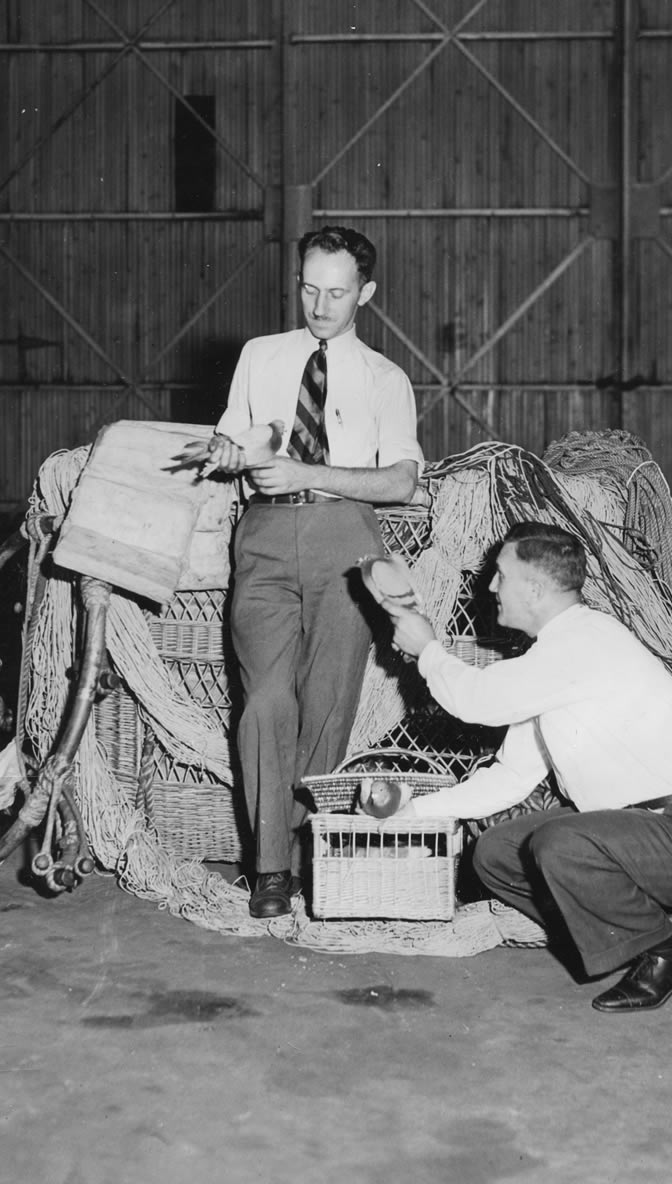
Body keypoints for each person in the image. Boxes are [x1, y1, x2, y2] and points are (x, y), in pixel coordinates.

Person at [366, 521, 672, 1012]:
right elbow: (511, 777)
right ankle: (644, 927)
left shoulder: (583, 641)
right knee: (497, 852)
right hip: (646, 834)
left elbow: (477, 701)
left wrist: (429, 652)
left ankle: (666, 953)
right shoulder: (552, 657)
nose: (491, 586)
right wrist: (414, 813)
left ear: (535, 589)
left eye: (501, 575)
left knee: (560, 843)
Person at [189, 227, 423, 919]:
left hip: (345, 541)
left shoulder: (386, 379)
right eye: (310, 289)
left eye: (338, 293)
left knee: (326, 706)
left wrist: (306, 473)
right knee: (265, 700)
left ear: (366, 293)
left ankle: (297, 850)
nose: (321, 306)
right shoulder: (259, 355)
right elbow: (236, 432)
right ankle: (269, 867)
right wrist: (225, 453)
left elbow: (401, 480)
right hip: (262, 536)